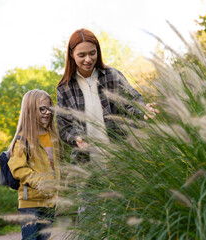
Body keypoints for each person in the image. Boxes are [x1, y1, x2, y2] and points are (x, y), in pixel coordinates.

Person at [56, 28, 158, 162]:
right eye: (82, 55)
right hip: (85, 164)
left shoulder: (112, 75)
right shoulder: (64, 88)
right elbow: (64, 126)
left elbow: (131, 102)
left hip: (119, 158)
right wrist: (76, 138)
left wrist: (142, 110)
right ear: (71, 54)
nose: (88, 59)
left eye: (92, 53)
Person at [8, 89, 61, 240]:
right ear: (30, 111)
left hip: (50, 201)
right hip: (30, 201)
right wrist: (40, 182)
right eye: (41, 109)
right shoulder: (23, 139)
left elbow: (57, 168)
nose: (47, 113)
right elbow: (18, 168)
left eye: (49, 109)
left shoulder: (53, 137)